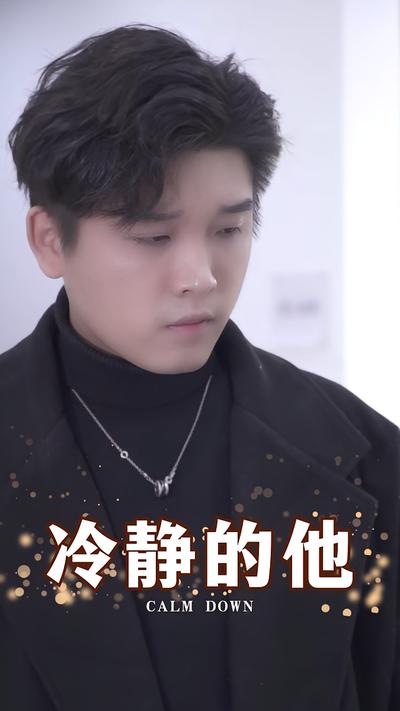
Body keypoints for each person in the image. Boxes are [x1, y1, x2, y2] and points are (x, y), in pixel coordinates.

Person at [0, 23, 398, 711]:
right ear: (50, 241)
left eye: (229, 229)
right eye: (153, 235)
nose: (201, 276)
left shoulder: (365, 456)